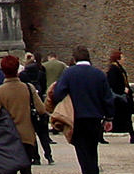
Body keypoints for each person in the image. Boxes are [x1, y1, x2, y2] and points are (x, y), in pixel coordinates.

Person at [52, 46, 115, 174]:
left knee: (82, 152)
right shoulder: (99, 74)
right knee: (92, 150)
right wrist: (109, 118)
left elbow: (58, 94)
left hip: (77, 119)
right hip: (95, 119)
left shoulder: (69, 73)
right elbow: (108, 98)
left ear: (74, 59)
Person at [0, 55, 49, 174]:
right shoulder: (28, 88)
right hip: (27, 135)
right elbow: (42, 109)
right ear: (17, 69)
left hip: (8, 136)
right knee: (26, 169)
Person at [19, 53, 53, 165]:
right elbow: (43, 88)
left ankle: (36, 157)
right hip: (39, 104)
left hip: (28, 106)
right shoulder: (41, 74)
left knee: (32, 135)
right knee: (43, 134)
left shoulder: (23, 76)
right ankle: (49, 155)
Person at [106, 50, 134, 144]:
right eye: (122, 57)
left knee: (126, 118)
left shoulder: (118, 68)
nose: (124, 59)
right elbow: (112, 83)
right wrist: (122, 89)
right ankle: (132, 136)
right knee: (114, 118)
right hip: (119, 98)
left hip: (122, 97)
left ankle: (133, 136)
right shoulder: (113, 69)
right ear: (118, 58)